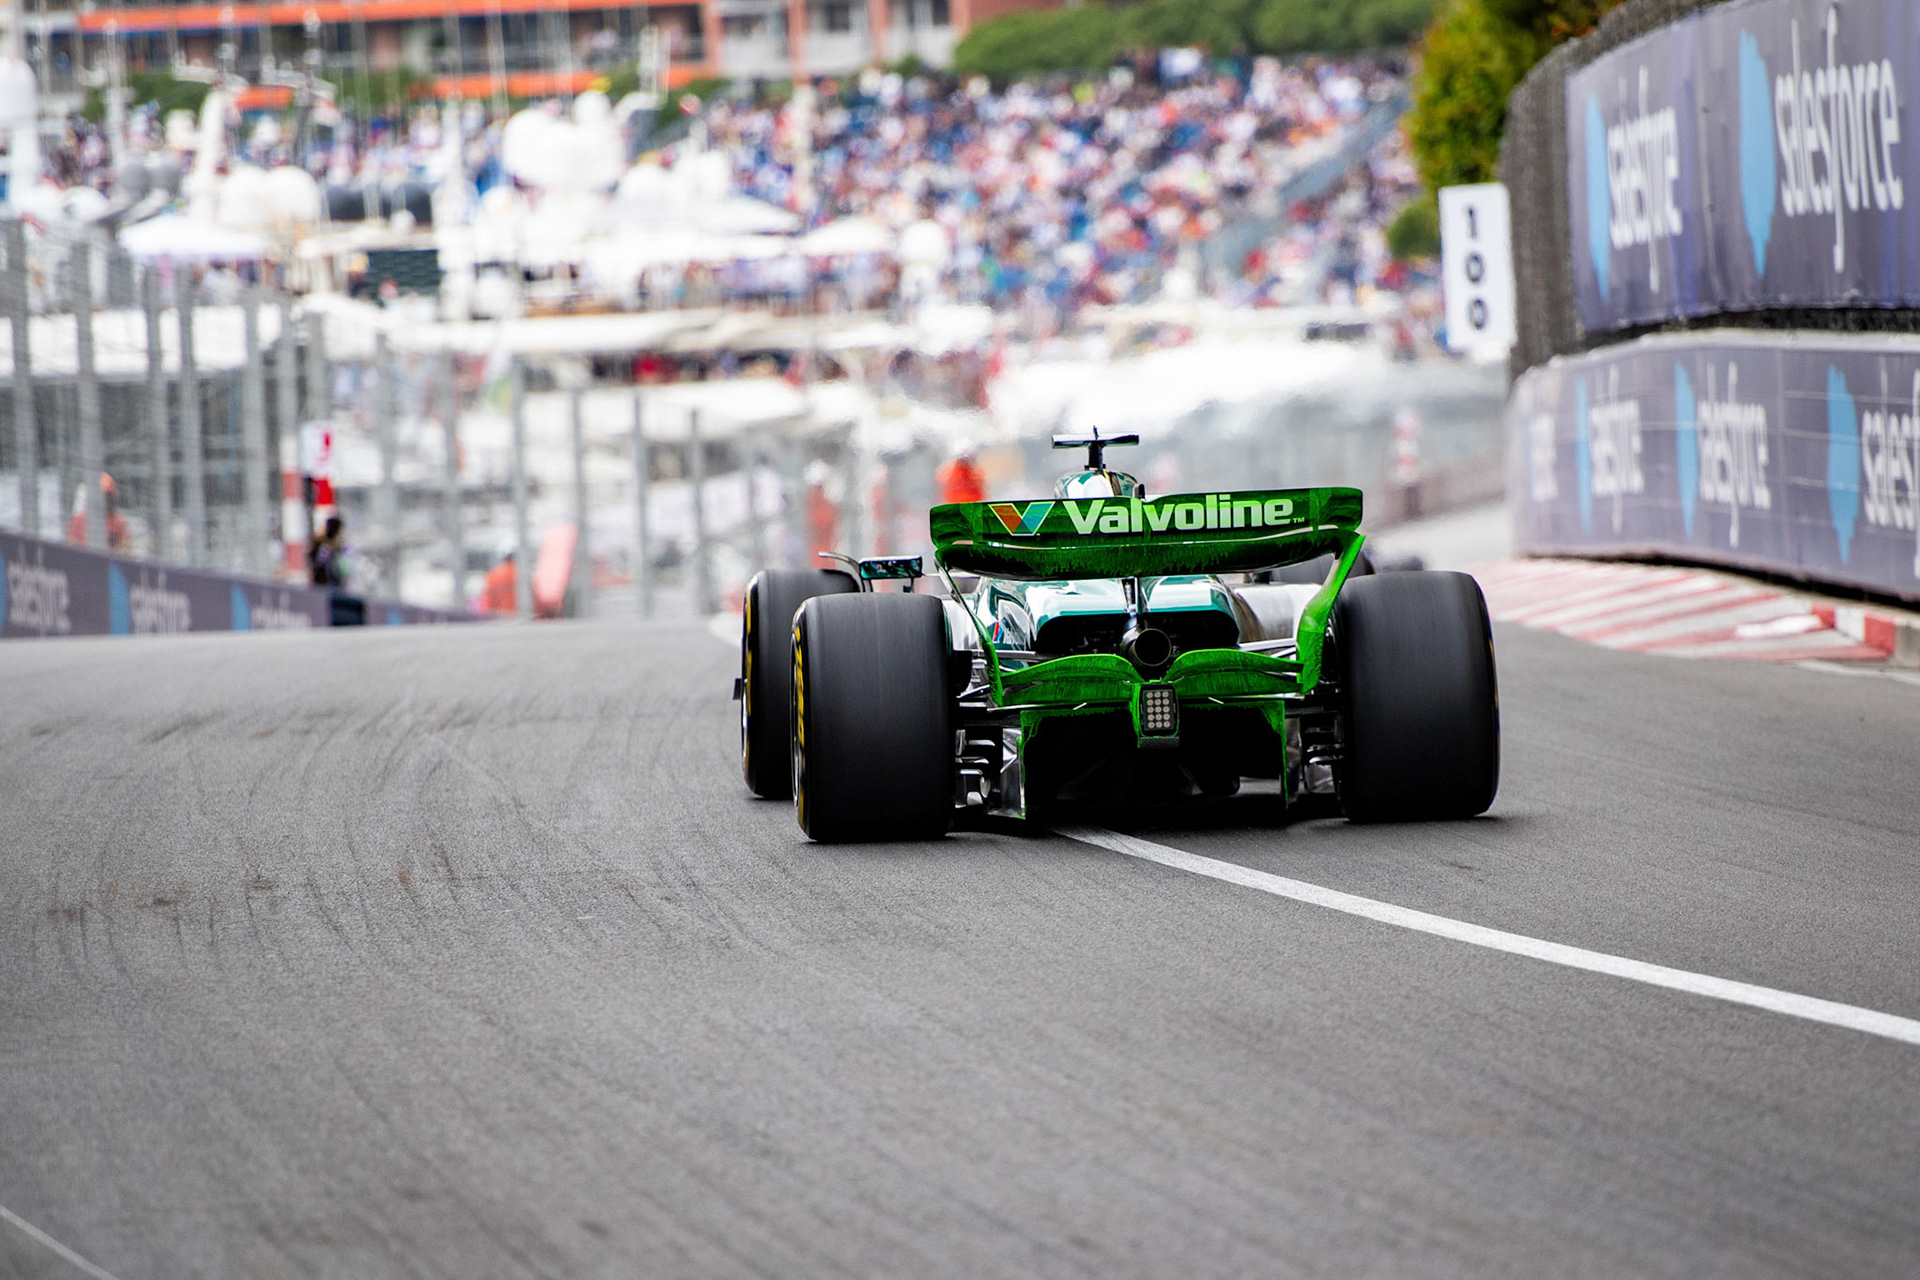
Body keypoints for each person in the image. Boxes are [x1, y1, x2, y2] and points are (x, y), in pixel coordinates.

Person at [66, 472, 130, 551]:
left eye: (109, 496)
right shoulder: (78, 521)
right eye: (104, 496)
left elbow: (125, 554)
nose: (106, 501)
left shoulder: (119, 522)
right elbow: (69, 551)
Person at [309, 516, 347, 588]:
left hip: (328, 579)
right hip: (326, 580)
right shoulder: (325, 544)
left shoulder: (336, 544)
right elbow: (320, 561)